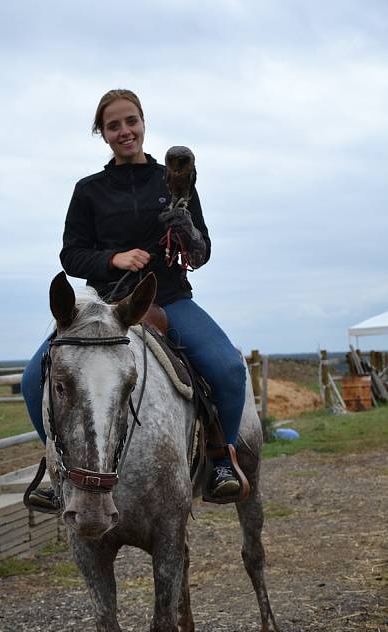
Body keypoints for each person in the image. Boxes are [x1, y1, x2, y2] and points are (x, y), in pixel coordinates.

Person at [22, 89, 246, 512]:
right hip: (102, 304)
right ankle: (57, 470)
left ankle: (221, 460)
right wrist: (113, 258)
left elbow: (201, 254)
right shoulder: (88, 190)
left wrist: (187, 229)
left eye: (131, 121)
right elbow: (71, 255)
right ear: (102, 134)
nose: (125, 131)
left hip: (169, 298)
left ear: (143, 123)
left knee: (230, 370)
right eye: (114, 125)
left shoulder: (174, 181)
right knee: (32, 379)